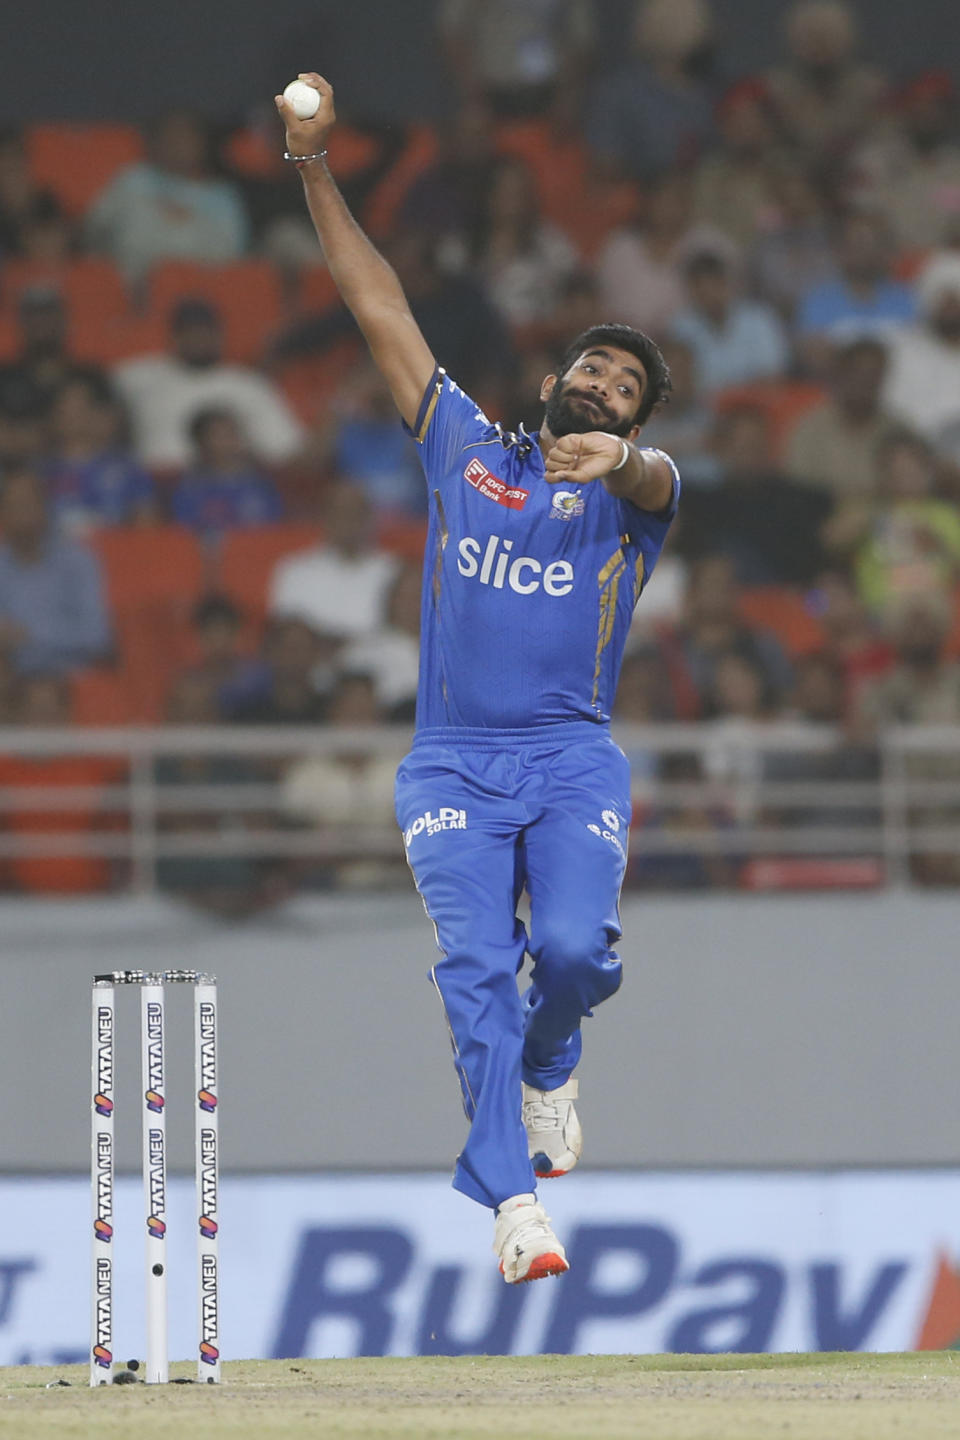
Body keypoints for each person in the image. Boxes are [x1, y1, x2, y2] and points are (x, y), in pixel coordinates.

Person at [277, 72, 679, 1283]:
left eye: (629, 387)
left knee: (567, 956)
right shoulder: (465, 452)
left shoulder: (633, 499)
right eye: (597, 371)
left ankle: (556, 1062)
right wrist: (310, 163)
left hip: (570, 761)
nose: (607, 388)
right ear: (556, 375)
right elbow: (378, 304)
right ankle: (511, 1201)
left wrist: (633, 455)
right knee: (471, 972)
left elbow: (658, 478)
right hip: (449, 760)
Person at [114, 297, 304, 470]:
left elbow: (283, 449)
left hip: (222, 485)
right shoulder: (136, 376)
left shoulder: (248, 385)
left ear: (220, 334)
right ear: (173, 336)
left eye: (205, 331)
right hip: (156, 483)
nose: (198, 338)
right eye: (189, 331)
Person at [86, 111, 249, 283]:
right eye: (171, 136)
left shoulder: (222, 196)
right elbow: (96, 228)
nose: (177, 144)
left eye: (185, 137)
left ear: (201, 144)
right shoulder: (133, 179)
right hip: (132, 283)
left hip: (204, 286)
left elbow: (231, 253)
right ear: (155, 141)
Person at [0, 466, 111, 675]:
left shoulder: (78, 562)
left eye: (27, 504)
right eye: (12, 505)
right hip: (9, 679)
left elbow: (97, 636)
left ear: (45, 508)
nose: (21, 513)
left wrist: (29, 636)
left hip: (67, 676)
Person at [45, 368, 157, 534]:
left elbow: (147, 528)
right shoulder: (39, 470)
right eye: (62, 406)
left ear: (99, 412)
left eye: (78, 406)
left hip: (113, 554)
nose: (69, 414)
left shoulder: (128, 470)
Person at [784, 337, 897, 500]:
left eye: (873, 374)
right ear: (840, 375)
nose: (866, 381)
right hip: (819, 515)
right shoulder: (809, 428)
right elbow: (797, 485)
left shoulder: (897, 430)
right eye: (858, 373)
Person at [670, 251, 790, 395]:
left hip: (758, 404)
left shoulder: (759, 318)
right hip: (703, 409)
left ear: (729, 283)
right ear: (691, 290)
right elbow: (683, 383)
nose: (709, 294)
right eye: (700, 288)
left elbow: (774, 375)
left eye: (715, 284)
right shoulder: (681, 328)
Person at [172, 407, 285, 538]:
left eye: (232, 433)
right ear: (201, 442)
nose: (229, 442)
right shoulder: (188, 490)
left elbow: (276, 531)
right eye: (219, 435)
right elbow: (183, 536)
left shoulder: (263, 486)